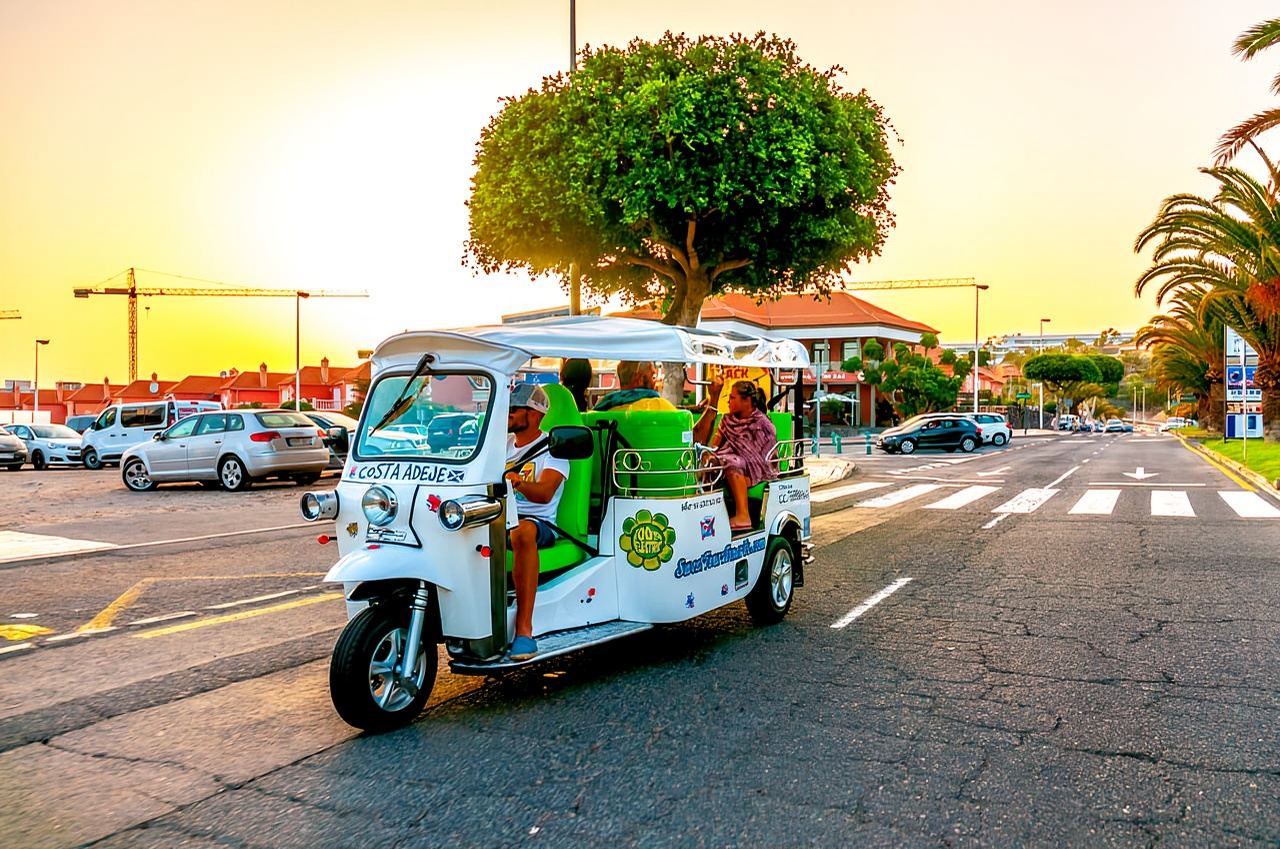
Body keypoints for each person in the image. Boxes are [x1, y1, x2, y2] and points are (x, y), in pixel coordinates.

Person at [504, 383, 570, 660]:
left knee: (521, 532)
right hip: (500, 517)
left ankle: (524, 630)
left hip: (539, 522)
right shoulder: (502, 446)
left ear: (534, 414)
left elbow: (544, 494)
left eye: (514, 408)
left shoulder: (553, 450)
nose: (508, 413)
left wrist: (518, 483)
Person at [704, 380, 777, 531]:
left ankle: (743, 515)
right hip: (727, 461)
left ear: (746, 401)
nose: (728, 401)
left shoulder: (762, 422)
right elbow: (715, 445)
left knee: (733, 462)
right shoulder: (727, 419)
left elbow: (768, 453)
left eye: (732, 397)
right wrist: (708, 454)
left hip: (756, 468)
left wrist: (739, 458)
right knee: (709, 463)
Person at [593, 361, 678, 412]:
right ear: (639, 379)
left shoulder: (602, 406)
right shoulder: (660, 406)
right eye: (653, 377)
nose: (655, 382)